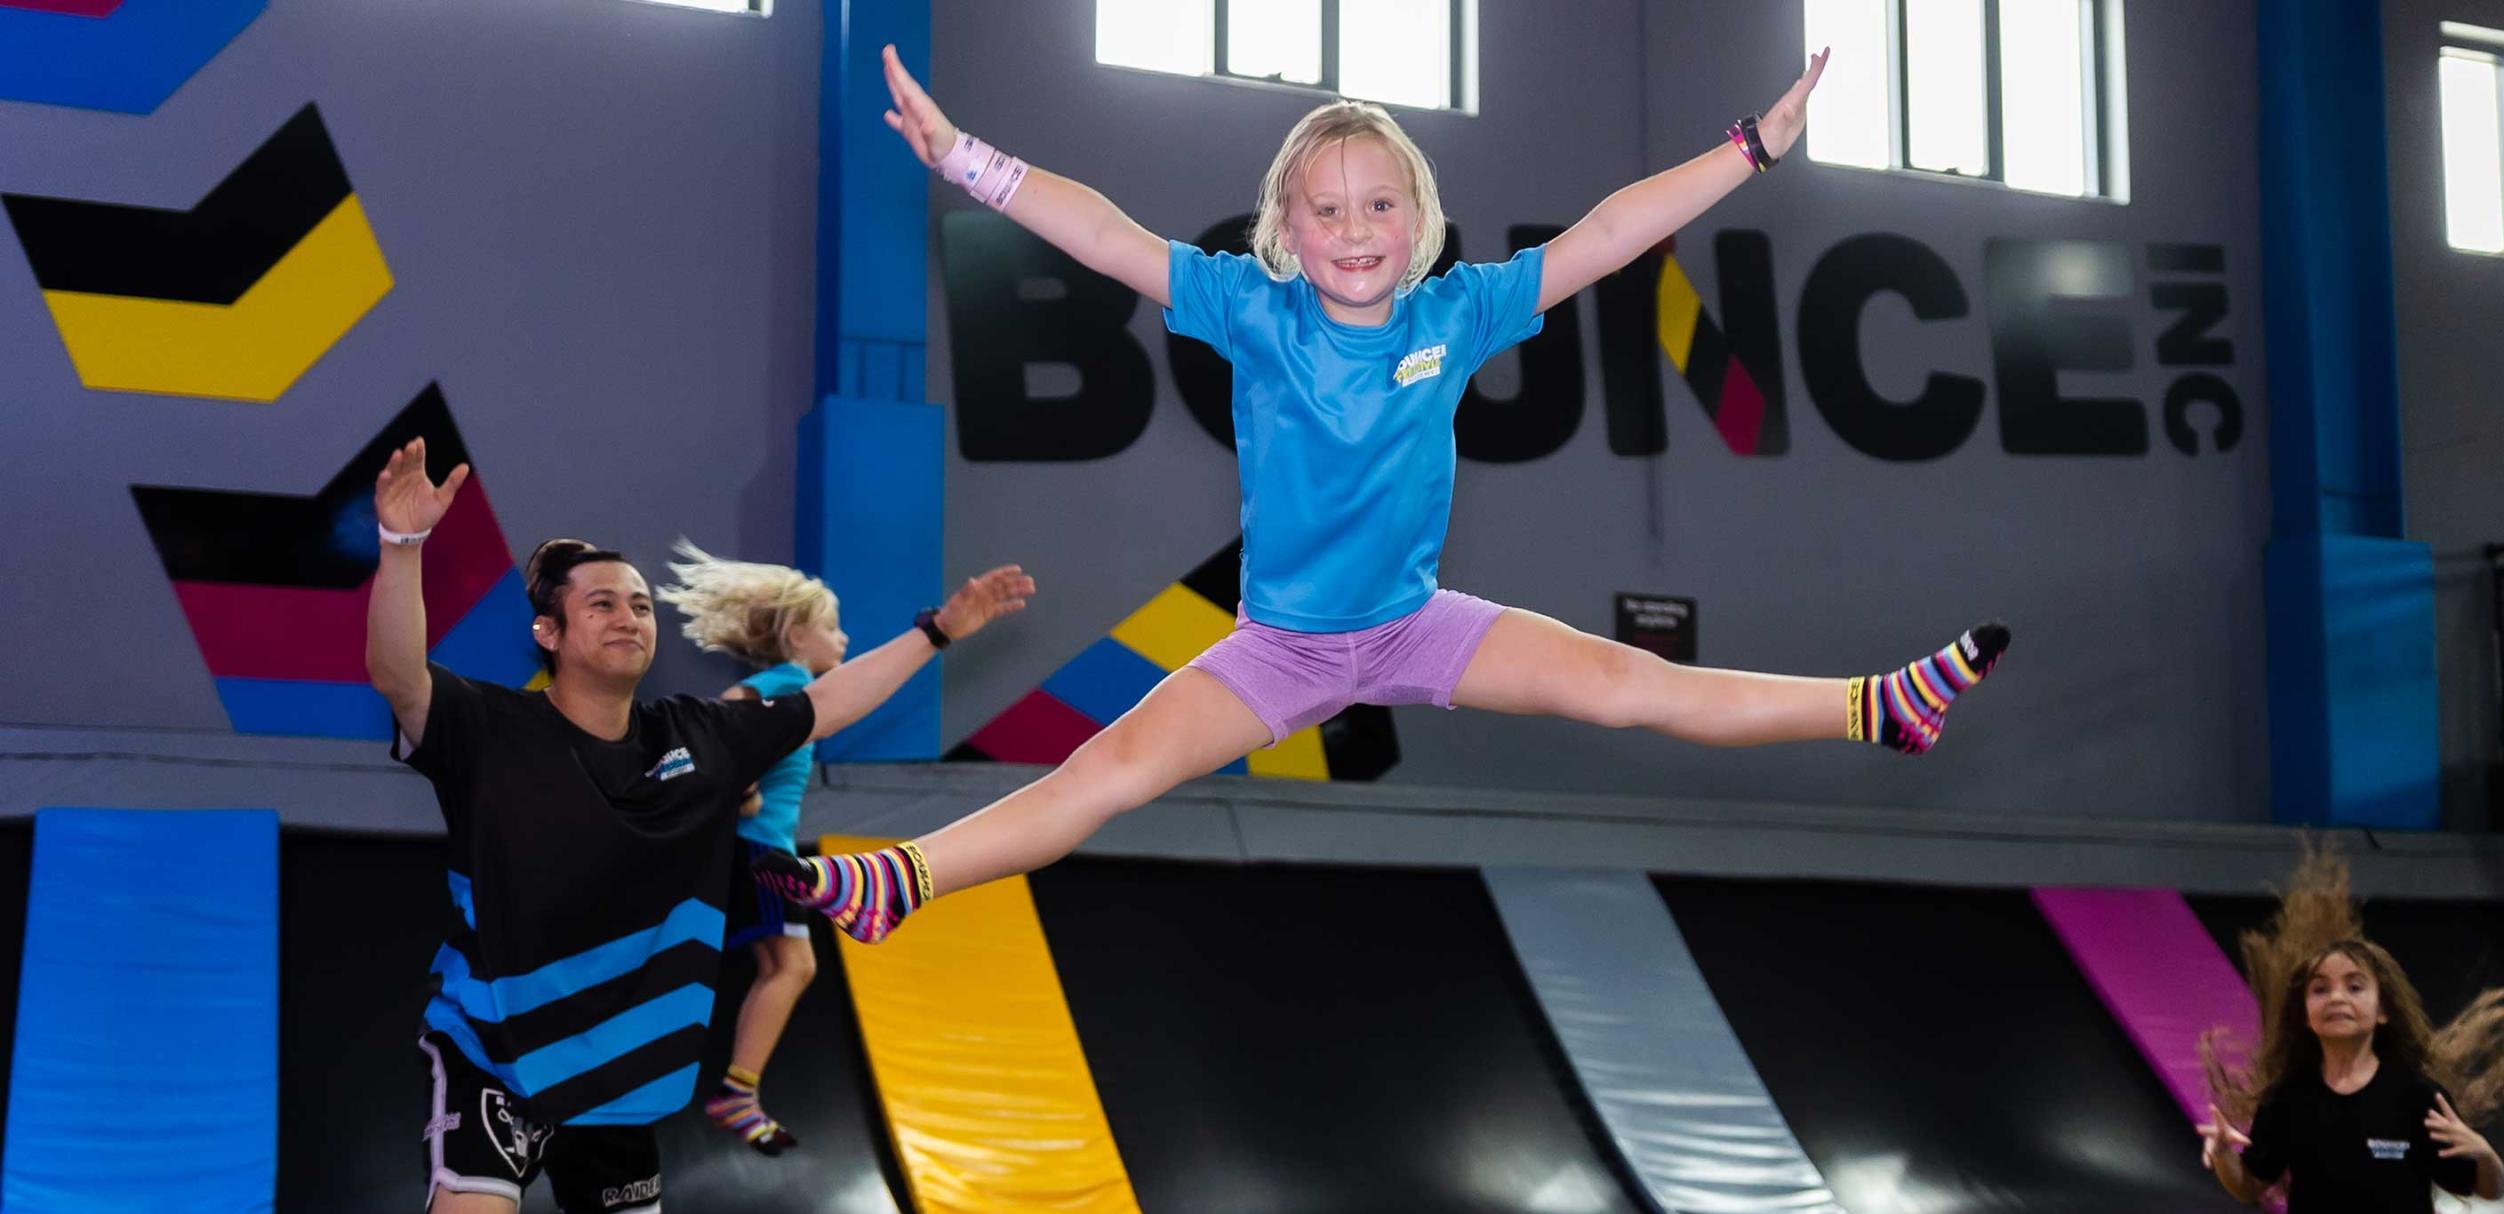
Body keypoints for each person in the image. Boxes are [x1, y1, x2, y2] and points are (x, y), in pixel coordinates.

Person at [758, 42, 2010, 945]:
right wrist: (965, 158)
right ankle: (902, 879)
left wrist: (1751, 148)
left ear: (1418, 219)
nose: (1353, 229)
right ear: (1284, 228)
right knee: (1108, 769)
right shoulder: (1251, 311)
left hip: (1417, 625)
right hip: (1281, 648)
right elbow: (1103, 234)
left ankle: (1874, 707)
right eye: (1325, 210)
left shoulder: (1455, 313)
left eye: (1377, 205)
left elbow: (1609, 235)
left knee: (1634, 685)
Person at [357, 439, 1031, 1214]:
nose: (629, 616)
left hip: (619, 1065)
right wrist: (401, 545)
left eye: (640, 604)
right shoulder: (489, 729)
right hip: (496, 1047)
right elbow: (398, 676)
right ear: (549, 632)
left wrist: (940, 628)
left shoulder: (697, 738)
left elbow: (828, 701)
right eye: (602, 603)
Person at [657, 541, 1029, 1153]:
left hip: (751, 847)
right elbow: (726, 717)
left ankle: (737, 1090)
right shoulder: (788, 682)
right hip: (758, 851)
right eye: (832, 628)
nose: (844, 638)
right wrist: (739, 784)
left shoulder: (781, 685)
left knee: (779, 966)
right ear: (797, 637)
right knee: (793, 966)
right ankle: (736, 1092)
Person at [2197, 852, 2504, 1214]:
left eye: (2355, 986)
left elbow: (2488, 1188)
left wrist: (2484, 1153)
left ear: (2383, 1010)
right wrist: (2226, 1159)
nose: (2337, 998)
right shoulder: (2290, 1099)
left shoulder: (2417, 1098)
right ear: (2306, 1013)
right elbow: (2250, 1186)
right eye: (2320, 989)